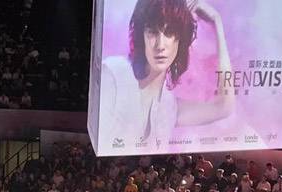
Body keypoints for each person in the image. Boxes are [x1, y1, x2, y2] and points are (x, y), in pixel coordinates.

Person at [99, 0, 233, 151]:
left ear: (181, 39)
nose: (160, 45)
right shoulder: (114, 74)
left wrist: (217, 22)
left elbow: (223, 107)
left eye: (169, 32)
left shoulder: (168, 107)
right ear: (141, 35)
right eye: (152, 32)